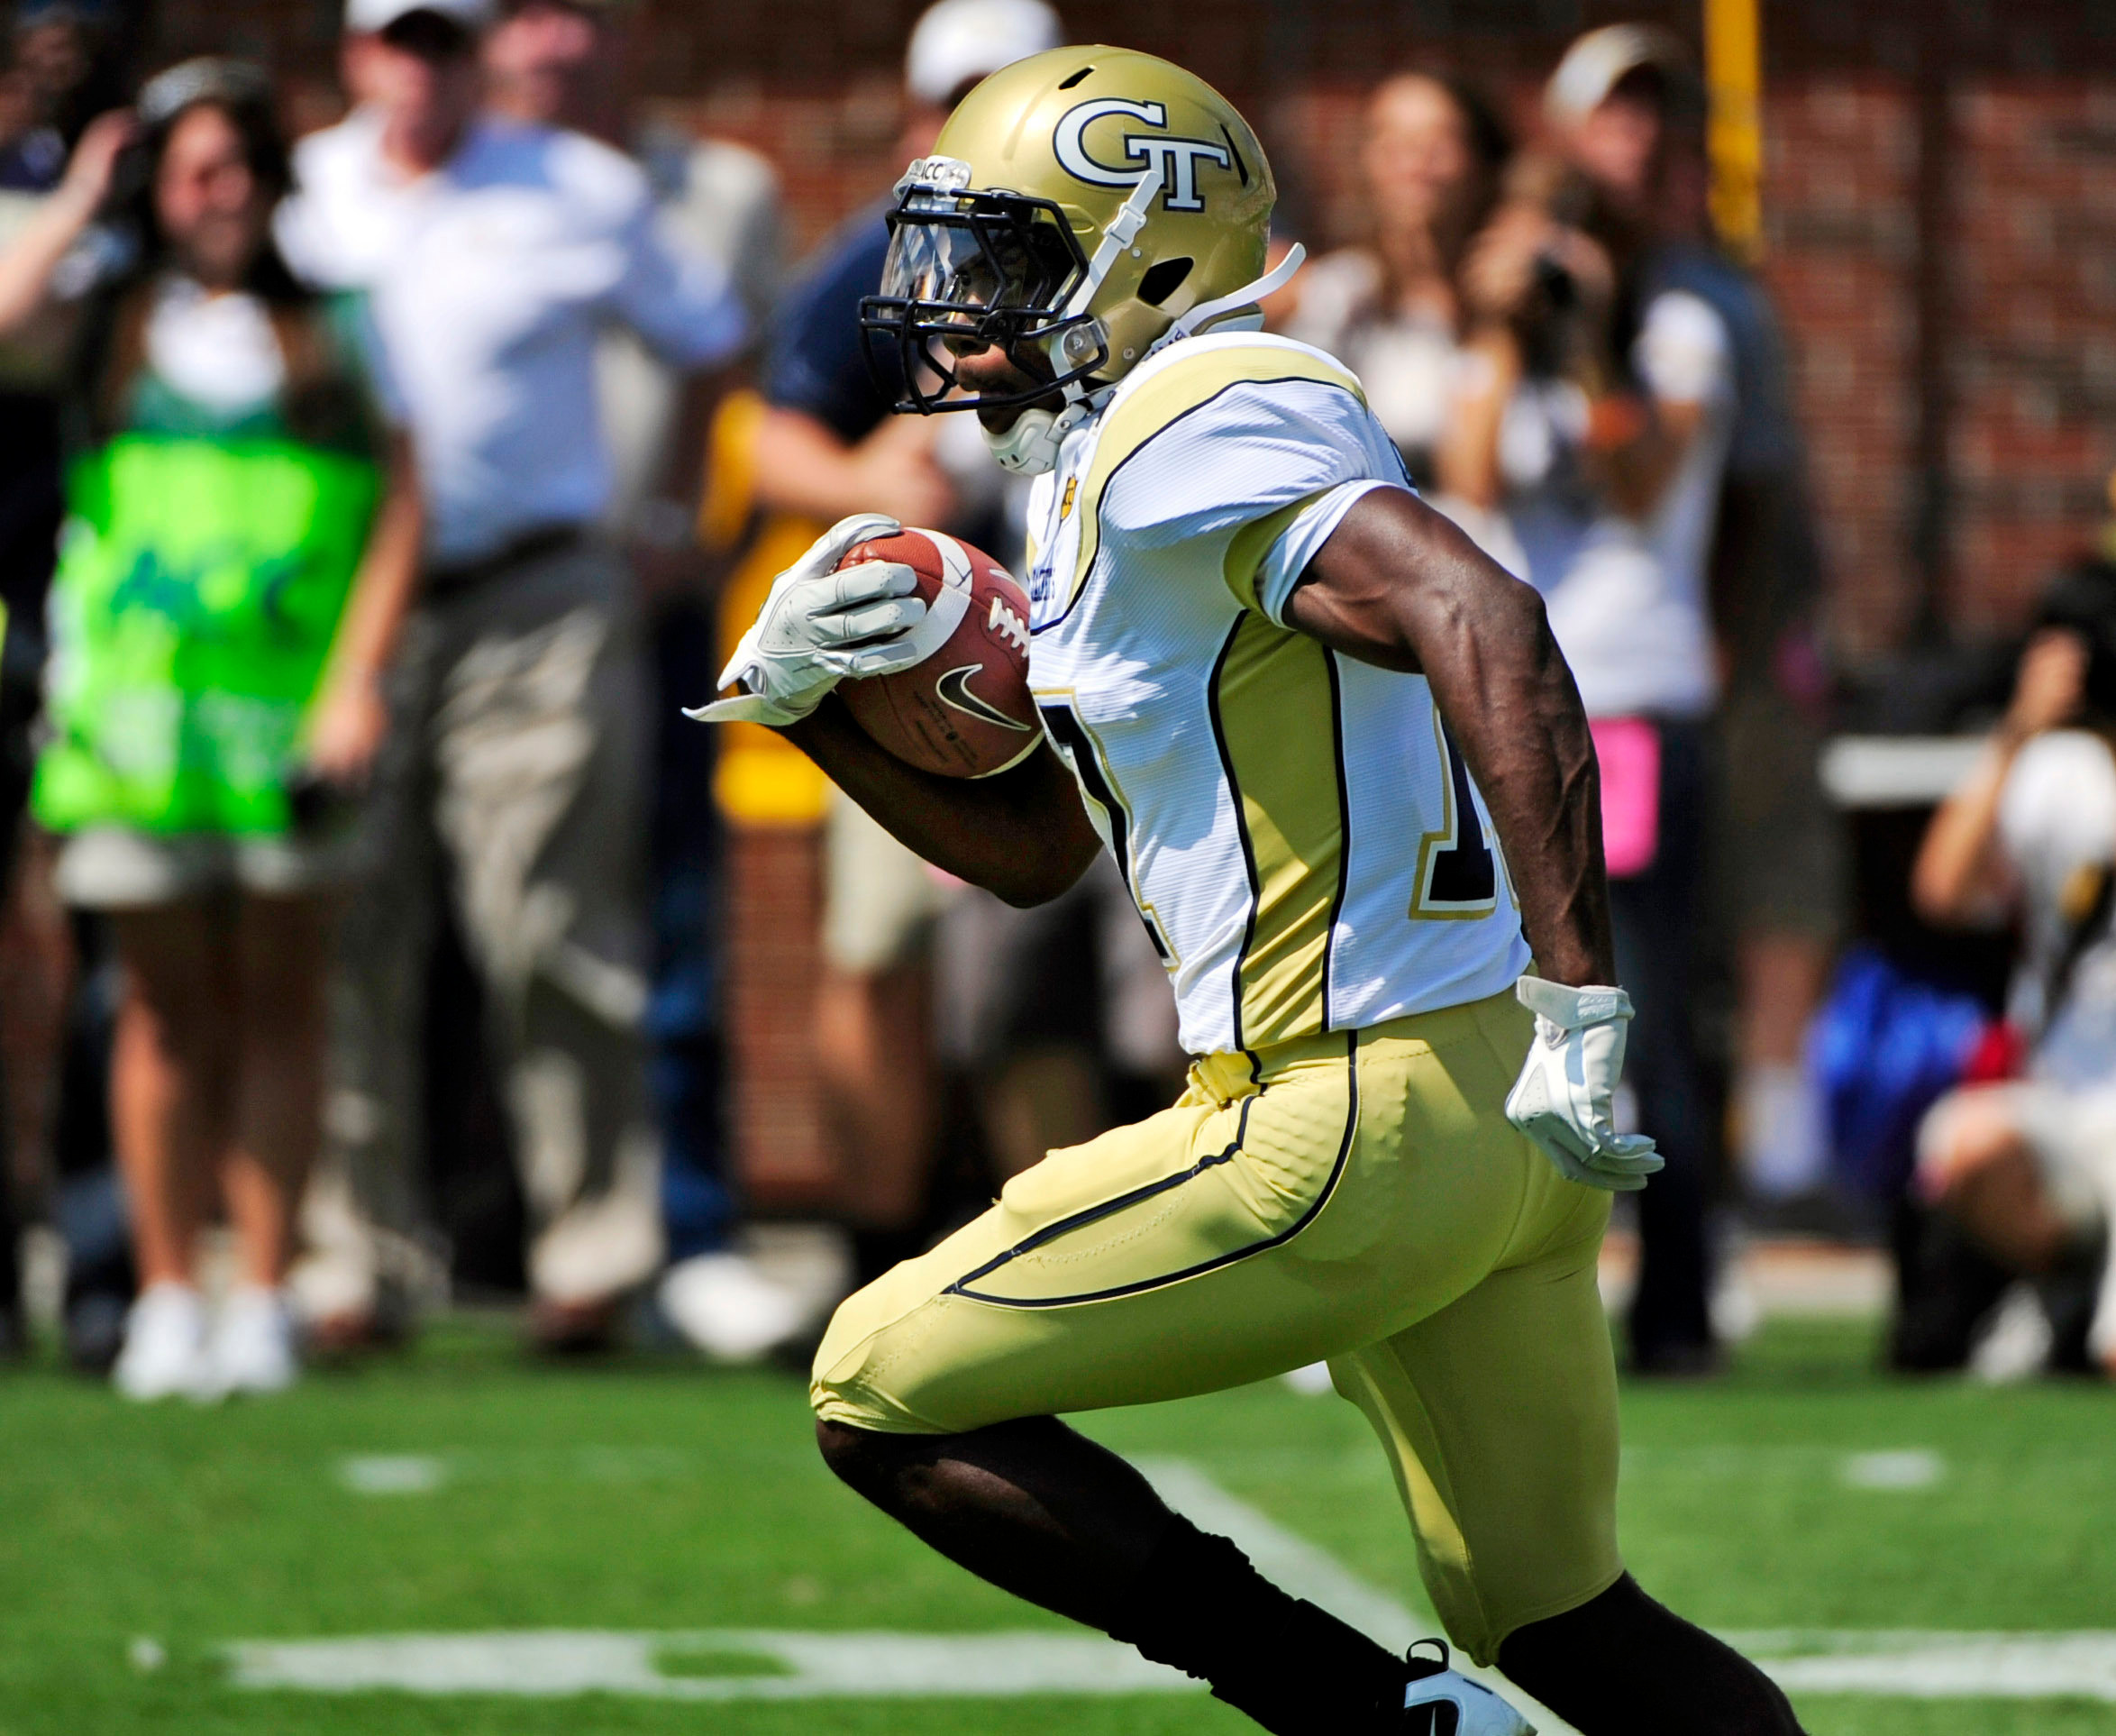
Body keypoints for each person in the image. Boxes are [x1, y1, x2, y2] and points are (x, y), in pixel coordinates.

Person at [699, 45, 1803, 1736]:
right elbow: (1046, 856)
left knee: (875, 1387)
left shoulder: (1192, 409)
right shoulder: (1111, 455)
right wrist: (815, 721)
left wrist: (1588, 991)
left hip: (1343, 1112)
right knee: (1562, 1620)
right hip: (1482, 1120)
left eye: (1004, 259)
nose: (955, 305)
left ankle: (1371, 1723)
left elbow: (1483, 615)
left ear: (1145, 258)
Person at [275, 0, 746, 1351]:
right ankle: (347, 1264)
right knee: (349, 925)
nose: (418, 68)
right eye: (393, 40)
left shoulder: (578, 188)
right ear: (356, 57)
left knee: (553, 926)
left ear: (476, 55)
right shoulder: (303, 199)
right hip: (339, 613)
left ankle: (594, 1258)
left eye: (442, 40)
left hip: (541, 596)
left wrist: (670, 521)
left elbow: (714, 334)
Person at [0, 57, 422, 1398]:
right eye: (187, 168)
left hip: (289, 724)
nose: (216, 191)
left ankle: (266, 1291)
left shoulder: (342, 324)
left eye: (237, 164)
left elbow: (404, 503)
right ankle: (171, 1289)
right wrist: (82, 198)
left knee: (285, 1000)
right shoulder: (105, 316)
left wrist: (357, 678)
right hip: (135, 723)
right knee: (162, 1013)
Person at [477, 0, 803, 1362]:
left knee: (666, 921)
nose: (555, 41)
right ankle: (478, 1230)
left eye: (584, 12)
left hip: (655, 603)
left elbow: (746, 388)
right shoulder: (442, 184)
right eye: (525, 13)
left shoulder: (722, 191)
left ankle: (688, 1228)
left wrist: (679, 529)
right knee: (476, 932)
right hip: (469, 602)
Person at [747, 0, 1063, 1290]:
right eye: (958, 97)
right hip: (920, 662)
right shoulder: (872, 261)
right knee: (878, 951)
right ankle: (876, 1245)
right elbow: (770, 436)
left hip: (1092, 649)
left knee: (1063, 987)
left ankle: (1069, 1251)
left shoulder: (1106, 252)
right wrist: (865, 479)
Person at [1440, 29, 1739, 1374]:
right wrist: (1512, 324)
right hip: (1528, 710)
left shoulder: (1680, 325)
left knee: (1647, 1007)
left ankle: (1677, 1303)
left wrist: (1595, 334)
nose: (1635, 149)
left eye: (1654, 126)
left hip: (1638, 702)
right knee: (1515, 1000)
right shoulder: (1511, 324)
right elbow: (1468, 479)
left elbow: (1638, 490)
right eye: (1609, 122)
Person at [1911, 561, 2116, 1376]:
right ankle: (2062, 1286)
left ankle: (2075, 1319)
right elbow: (1943, 889)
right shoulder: (2055, 773)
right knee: (1963, 1140)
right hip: (2067, 1099)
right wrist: (2018, 729)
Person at [1284, 71, 1509, 494]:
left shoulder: (1528, 300)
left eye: (1440, 138)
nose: (1416, 158)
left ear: (1481, 159)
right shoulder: (1339, 290)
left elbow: (1476, 486)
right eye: (1393, 139)